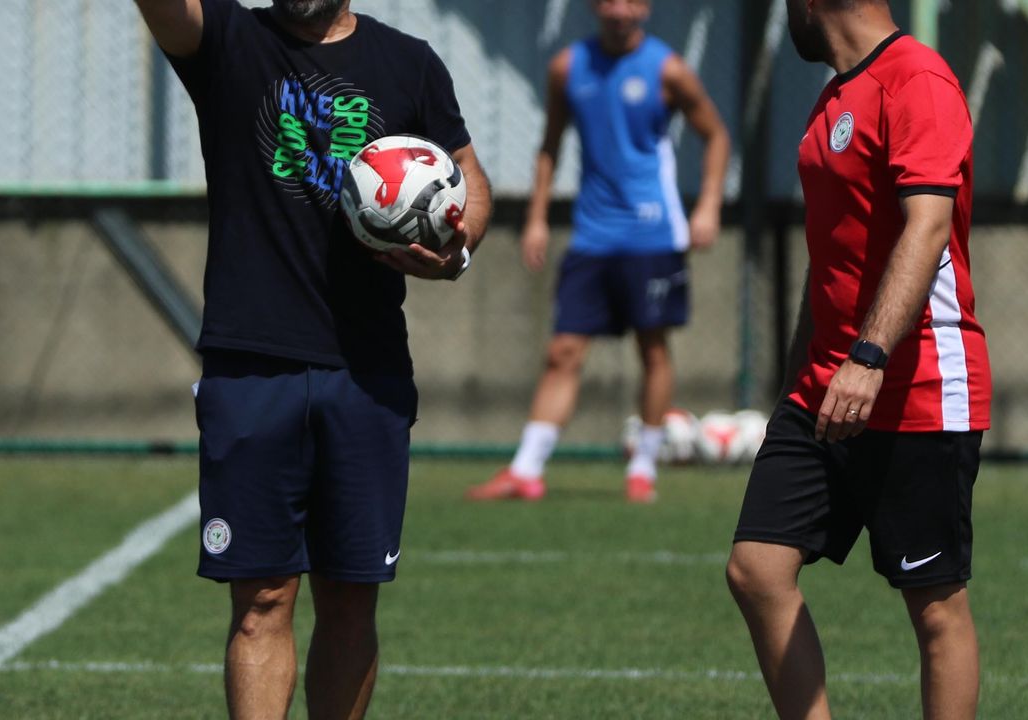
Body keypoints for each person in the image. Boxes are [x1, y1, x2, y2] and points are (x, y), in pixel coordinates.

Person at [134, 1, 491, 718]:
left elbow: (469, 180)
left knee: (351, 599)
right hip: (251, 367)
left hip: (368, 373)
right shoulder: (230, 41)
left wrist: (456, 251)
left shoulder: (410, 63)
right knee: (261, 601)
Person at [725, 1, 991, 718]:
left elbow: (927, 227)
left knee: (934, 605)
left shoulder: (918, 80)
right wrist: (796, 378)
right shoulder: (835, 96)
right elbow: (831, 255)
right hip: (823, 385)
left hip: (919, 387)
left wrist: (868, 358)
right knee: (756, 570)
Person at [465, 0, 730, 504]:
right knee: (562, 351)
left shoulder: (668, 69)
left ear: (645, 7)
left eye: (629, 1)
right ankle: (526, 470)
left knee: (653, 348)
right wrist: (536, 218)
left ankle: (644, 467)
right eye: (609, 0)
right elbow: (549, 146)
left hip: (653, 234)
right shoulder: (568, 67)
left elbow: (715, 135)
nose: (618, 10)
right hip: (592, 235)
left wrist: (710, 205)